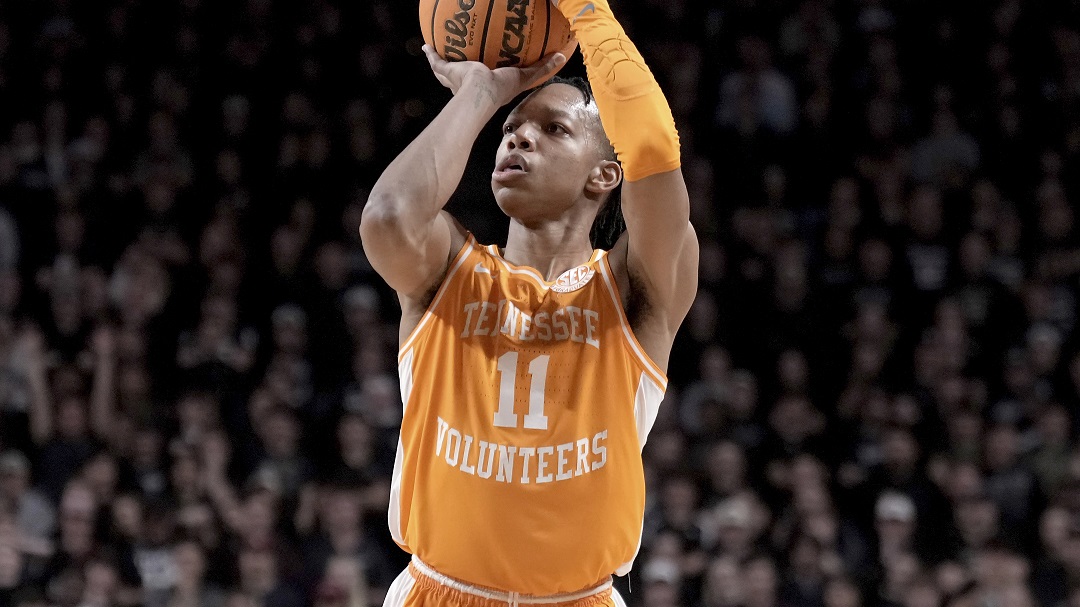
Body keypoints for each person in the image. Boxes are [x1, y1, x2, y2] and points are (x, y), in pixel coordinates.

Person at [359, 0, 698, 603]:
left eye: (554, 129)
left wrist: (588, 13)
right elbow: (387, 218)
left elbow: (650, 145)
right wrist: (480, 94)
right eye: (512, 130)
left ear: (603, 176)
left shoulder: (635, 291)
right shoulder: (447, 273)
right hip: (439, 593)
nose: (518, 137)